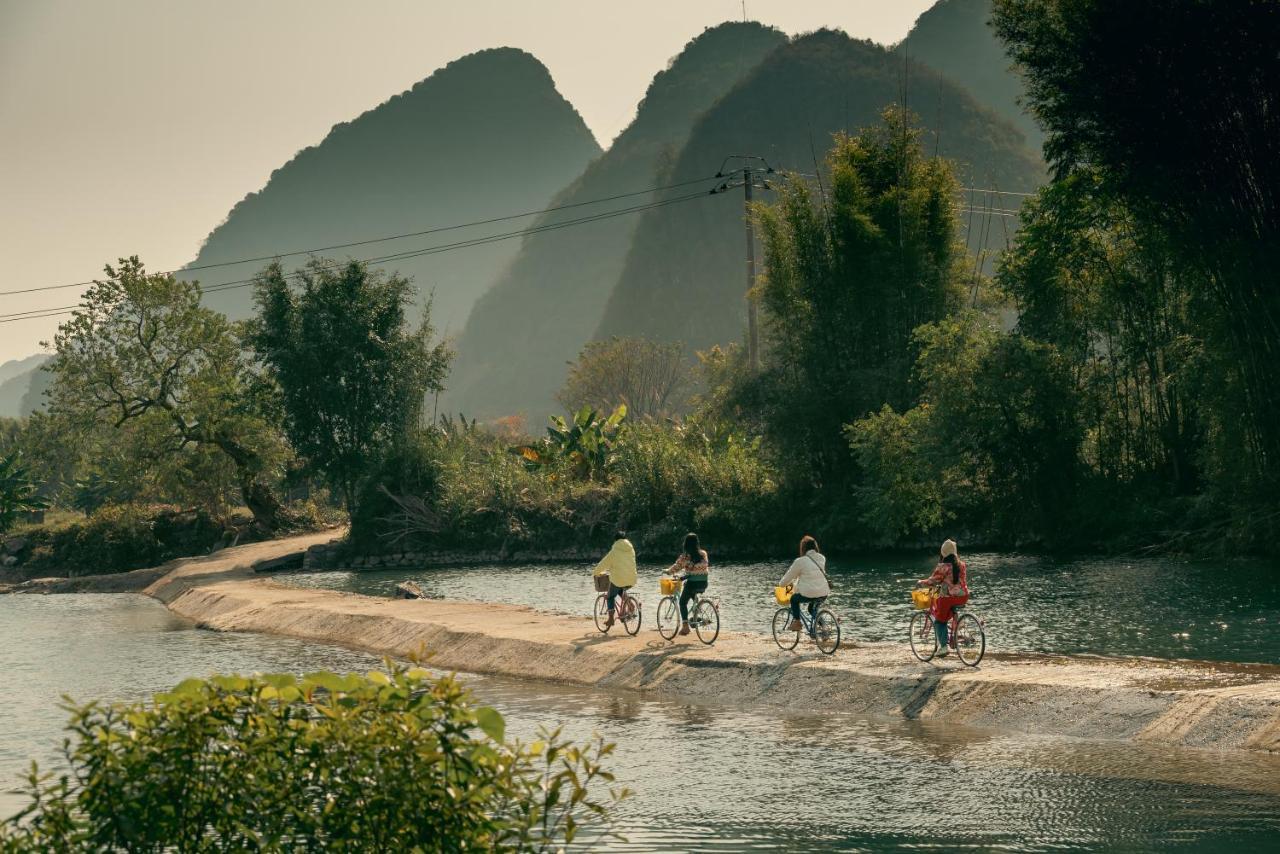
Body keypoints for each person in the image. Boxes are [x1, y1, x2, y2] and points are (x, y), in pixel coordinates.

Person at [917, 539, 969, 656]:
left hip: (948, 598)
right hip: (963, 596)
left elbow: (932, 581)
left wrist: (921, 582)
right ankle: (954, 635)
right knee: (947, 613)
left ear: (943, 553)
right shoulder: (962, 565)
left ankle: (944, 647)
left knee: (939, 621)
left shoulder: (943, 566)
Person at [778, 535, 830, 632]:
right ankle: (824, 627)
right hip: (823, 592)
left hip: (809, 593)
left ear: (803, 548)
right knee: (812, 610)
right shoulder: (822, 558)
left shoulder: (800, 561)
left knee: (794, 599)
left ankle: (797, 622)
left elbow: (789, 576)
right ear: (815, 546)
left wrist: (781, 584)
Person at [664, 532, 709, 636]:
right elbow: (703, 566)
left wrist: (667, 571)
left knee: (682, 602)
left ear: (686, 544)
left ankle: (685, 627)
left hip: (692, 583)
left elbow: (676, 567)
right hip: (704, 583)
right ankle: (696, 613)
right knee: (691, 591)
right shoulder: (703, 553)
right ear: (697, 542)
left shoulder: (685, 556)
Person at [593, 530, 637, 630]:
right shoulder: (631, 549)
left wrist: (596, 572)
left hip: (618, 579)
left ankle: (611, 618)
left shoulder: (614, 551)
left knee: (610, 596)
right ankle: (630, 605)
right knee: (620, 590)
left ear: (615, 540)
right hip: (632, 578)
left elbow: (604, 563)